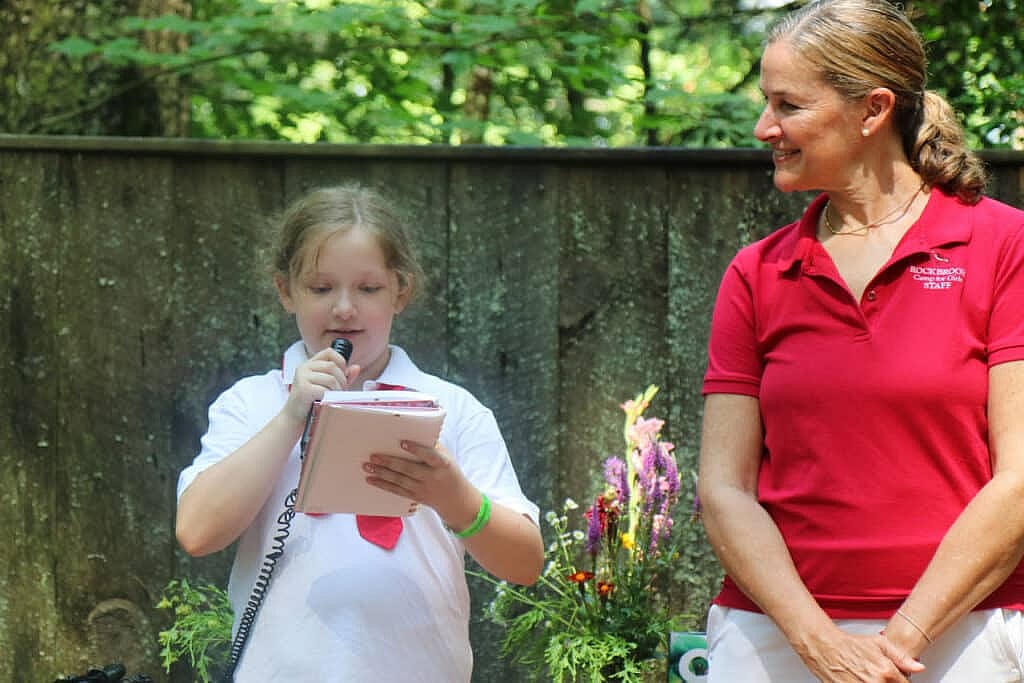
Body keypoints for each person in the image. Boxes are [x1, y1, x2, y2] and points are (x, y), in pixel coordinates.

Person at [696, 1, 1024, 681]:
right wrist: (819, 642)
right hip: (773, 639)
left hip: (966, 636)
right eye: (766, 103)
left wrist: (898, 639)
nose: (765, 128)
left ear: (872, 111)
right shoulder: (757, 272)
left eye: (788, 105)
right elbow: (724, 488)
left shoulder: (1004, 247)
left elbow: (1019, 478)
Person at [175, 184, 544, 681]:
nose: (344, 309)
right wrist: (291, 417)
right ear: (286, 292)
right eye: (321, 288)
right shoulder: (251, 403)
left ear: (401, 292)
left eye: (368, 289)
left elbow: (525, 564)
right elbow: (197, 533)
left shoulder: (454, 409)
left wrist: (454, 496)